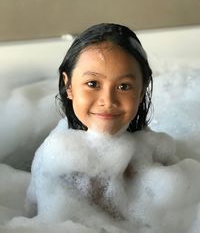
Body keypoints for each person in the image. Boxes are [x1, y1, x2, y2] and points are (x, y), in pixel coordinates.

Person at [26, 23, 178, 224]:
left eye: (124, 86)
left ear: (141, 92)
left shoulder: (157, 159)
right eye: (93, 84)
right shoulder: (55, 162)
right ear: (68, 85)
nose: (108, 100)